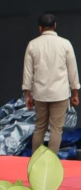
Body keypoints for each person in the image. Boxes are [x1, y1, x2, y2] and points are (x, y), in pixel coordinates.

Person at [22, 13, 80, 153]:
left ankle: (36, 161)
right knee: (56, 129)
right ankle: (52, 161)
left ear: (40, 28)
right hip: (60, 93)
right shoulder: (65, 44)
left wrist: (27, 94)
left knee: (39, 127)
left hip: (40, 94)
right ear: (55, 25)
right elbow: (73, 70)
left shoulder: (33, 45)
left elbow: (27, 72)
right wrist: (75, 93)